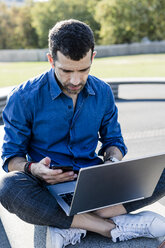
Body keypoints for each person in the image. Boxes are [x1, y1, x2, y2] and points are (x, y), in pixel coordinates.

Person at [0, 19, 165, 248]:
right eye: (66, 71)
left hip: (96, 185)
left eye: (83, 69)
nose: (75, 80)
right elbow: (11, 158)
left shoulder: (103, 92)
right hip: (46, 189)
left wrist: (113, 162)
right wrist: (33, 169)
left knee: (161, 168)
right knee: (8, 188)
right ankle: (109, 226)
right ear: (51, 60)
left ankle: (73, 224)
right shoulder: (23, 97)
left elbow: (113, 141)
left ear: (92, 58)